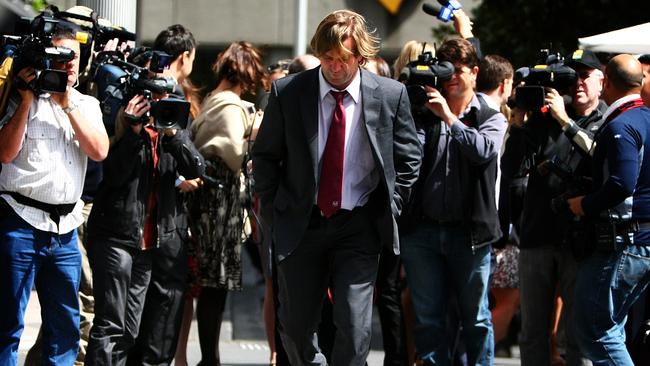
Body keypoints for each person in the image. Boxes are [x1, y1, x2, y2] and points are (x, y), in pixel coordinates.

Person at [251, 9, 421, 366]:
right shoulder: (290, 92)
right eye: (327, 58)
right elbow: (265, 157)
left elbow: (409, 159)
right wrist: (273, 206)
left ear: (360, 56)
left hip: (358, 225)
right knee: (294, 330)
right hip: (302, 221)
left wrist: (393, 204)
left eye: (343, 59)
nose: (335, 67)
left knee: (355, 328)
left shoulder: (391, 96)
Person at [84, 37, 205, 365]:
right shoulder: (119, 116)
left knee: (130, 331)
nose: (158, 100)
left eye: (164, 93)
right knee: (110, 325)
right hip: (116, 235)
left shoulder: (173, 118)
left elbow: (196, 167)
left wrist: (173, 133)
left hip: (148, 244)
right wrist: (134, 130)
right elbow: (112, 176)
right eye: (152, 92)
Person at [0, 27, 109, 365]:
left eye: (75, 56)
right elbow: (5, 153)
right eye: (62, 56)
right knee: (7, 324)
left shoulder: (86, 103)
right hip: (20, 220)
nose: (70, 63)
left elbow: (100, 150)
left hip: (65, 230)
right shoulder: (18, 97)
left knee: (65, 328)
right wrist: (27, 99)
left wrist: (67, 105)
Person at [400, 38, 507, 366]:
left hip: (470, 236)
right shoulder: (425, 112)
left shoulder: (490, 115)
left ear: (475, 73)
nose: (451, 78)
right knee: (429, 320)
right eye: (445, 71)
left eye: (459, 71)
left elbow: (483, 152)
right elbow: (408, 158)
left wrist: (449, 117)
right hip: (424, 233)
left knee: (476, 320)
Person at [507, 48, 605, 366]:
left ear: (602, 80)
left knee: (576, 334)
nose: (578, 82)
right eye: (572, 76)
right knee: (533, 331)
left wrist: (564, 120)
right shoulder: (542, 117)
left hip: (579, 239)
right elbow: (511, 169)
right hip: (536, 235)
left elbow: (599, 159)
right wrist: (520, 121)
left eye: (585, 76)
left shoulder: (605, 119)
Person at [188, 40, 268, 366]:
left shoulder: (209, 101)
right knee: (215, 286)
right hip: (222, 200)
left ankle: (210, 357)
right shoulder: (233, 107)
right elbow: (235, 155)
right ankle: (210, 359)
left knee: (211, 285)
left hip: (206, 198)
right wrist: (254, 131)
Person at [568, 54, 650, 366]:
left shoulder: (622, 126)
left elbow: (622, 184)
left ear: (607, 80)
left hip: (624, 243)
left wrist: (584, 205)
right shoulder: (645, 119)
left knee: (595, 328)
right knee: (611, 326)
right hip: (639, 242)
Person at [125, 24, 200, 366]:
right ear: (185, 56)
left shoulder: (176, 101)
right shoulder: (133, 95)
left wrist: (173, 132)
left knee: (161, 316)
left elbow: (195, 164)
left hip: (164, 225)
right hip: (132, 227)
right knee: (125, 326)